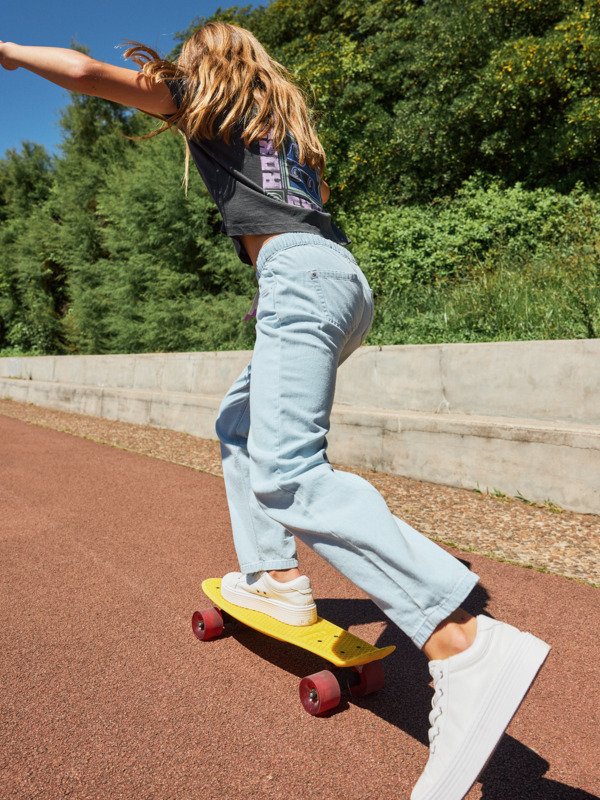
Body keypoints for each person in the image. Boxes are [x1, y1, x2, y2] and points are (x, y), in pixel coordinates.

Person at [0, 25, 550, 800]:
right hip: (345, 285)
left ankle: (461, 642)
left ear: (204, 65)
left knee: (289, 471)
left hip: (297, 278)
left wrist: (11, 53)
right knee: (239, 424)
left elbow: (88, 71)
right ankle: (273, 576)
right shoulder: (287, 132)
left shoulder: (201, 99)